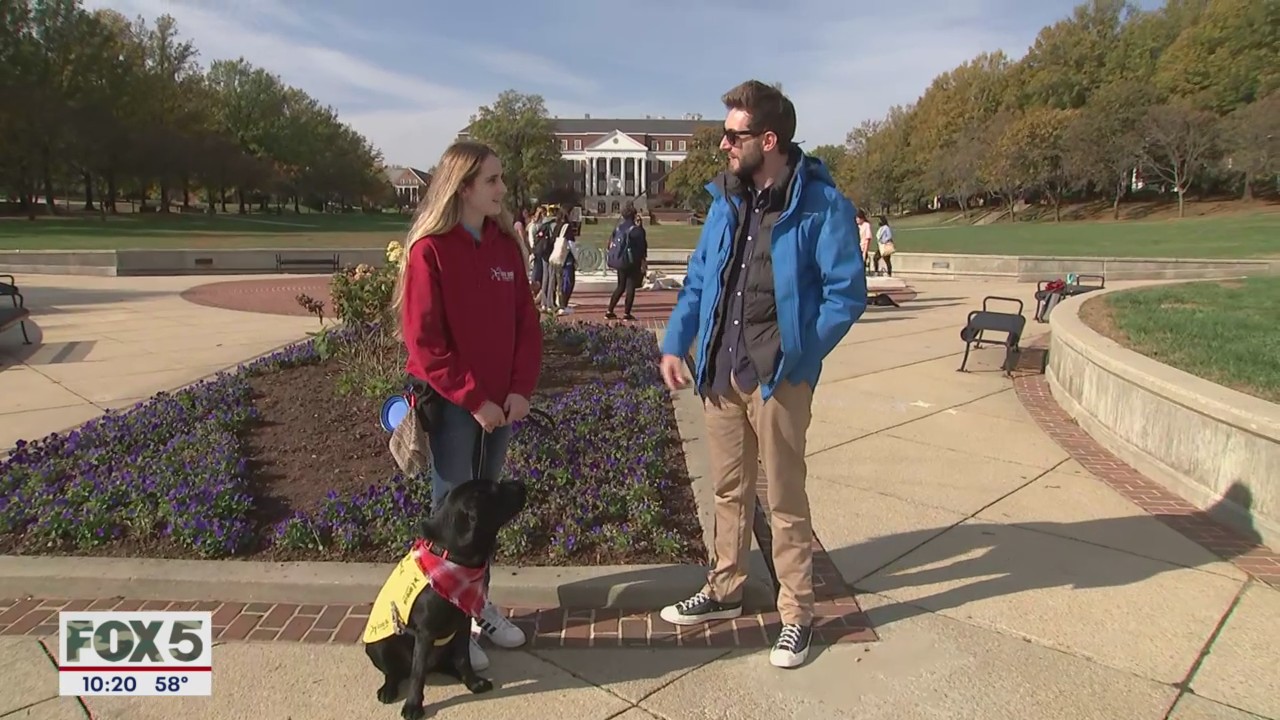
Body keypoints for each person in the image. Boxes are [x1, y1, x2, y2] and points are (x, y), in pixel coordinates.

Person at [656, 80, 867, 669]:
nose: (724, 144)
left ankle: (797, 613)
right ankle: (725, 587)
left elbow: (846, 294)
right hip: (721, 372)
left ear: (767, 140)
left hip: (778, 378)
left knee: (784, 500)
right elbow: (699, 280)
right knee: (728, 491)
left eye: (733, 135)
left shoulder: (822, 205)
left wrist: (799, 355)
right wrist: (675, 342)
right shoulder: (725, 200)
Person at [391, 139, 542, 671]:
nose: (503, 188)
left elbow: (527, 324)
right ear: (463, 188)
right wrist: (475, 399)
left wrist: (519, 389)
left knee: (486, 517)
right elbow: (425, 344)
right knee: (453, 514)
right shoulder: (429, 250)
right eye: (492, 180)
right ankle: (447, 624)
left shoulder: (505, 246)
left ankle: (478, 608)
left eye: (501, 178)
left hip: (503, 406)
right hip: (456, 407)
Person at [604, 203, 648, 320]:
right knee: (630, 286)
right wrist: (641, 227)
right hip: (632, 261)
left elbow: (610, 243)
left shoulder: (618, 228)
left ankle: (609, 310)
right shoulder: (636, 230)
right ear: (634, 215)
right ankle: (626, 313)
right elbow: (642, 246)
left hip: (620, 260)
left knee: (620, 286)